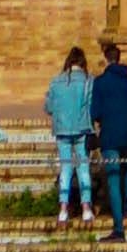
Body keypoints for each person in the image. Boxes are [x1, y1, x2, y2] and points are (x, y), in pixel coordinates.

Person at [91, 35, 127, 237]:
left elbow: (95, 112)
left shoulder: (100, 82)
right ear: (119, 58)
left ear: (106, 59)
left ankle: (118, 227)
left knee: (113, 176)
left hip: (110, 135)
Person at [45, 42, 97, 227]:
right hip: (82, 128)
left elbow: (48, 107)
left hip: (62, 129)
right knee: (83, 168)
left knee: (65, 168)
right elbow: (91, 105)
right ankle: (86, 208)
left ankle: (63, 210)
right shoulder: (88, 81)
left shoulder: (56, 81)